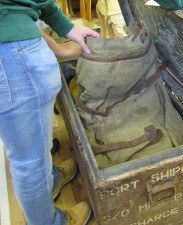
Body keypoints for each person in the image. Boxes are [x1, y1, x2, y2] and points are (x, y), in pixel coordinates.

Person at [0, 0, 100, 224]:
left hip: (10, 49)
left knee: (29, 142)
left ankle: (50, 179)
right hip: (11, 54)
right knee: (29, 163)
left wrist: (65, 29)